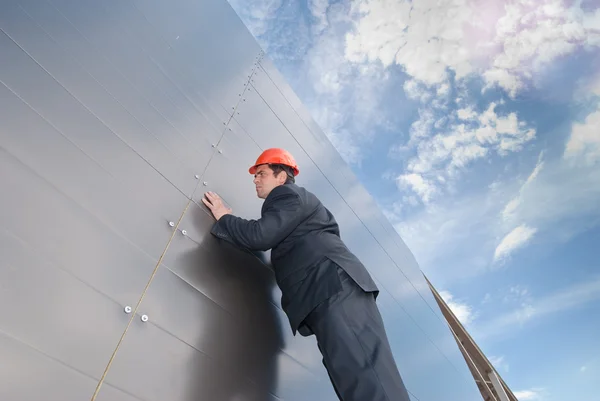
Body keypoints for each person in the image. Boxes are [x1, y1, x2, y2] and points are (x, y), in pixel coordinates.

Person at [202, 148, 411, 401]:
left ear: (282, 177)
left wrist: (224, 217)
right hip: (328, 293)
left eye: (262, 173)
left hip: (334, 288)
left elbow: (260, 235)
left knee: (364, 372)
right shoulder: (293, 205)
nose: (255, 179)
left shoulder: (286, 195)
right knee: (352, 376)